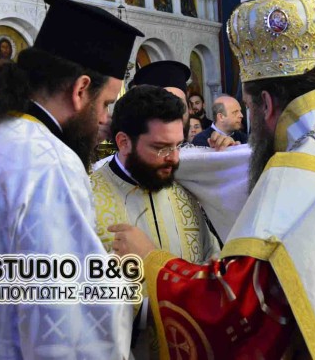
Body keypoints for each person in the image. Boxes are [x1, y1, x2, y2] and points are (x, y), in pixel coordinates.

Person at [108, 0, 315, 359]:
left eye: (249, 105)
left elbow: (237, 305)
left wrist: (152, 262)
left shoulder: (295, 172)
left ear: (267, 105)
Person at [0, 0, 144, 358]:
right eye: (106, 103)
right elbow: (70, 321)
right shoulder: (48, 162)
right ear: (80, 90)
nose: (105, 119)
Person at [91, 85, 220, 358]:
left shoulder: (184, 191)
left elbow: (212, 259)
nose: (174, 158)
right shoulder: (86, 199)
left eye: (177, 145)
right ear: (124, 142)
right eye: (160, 148)